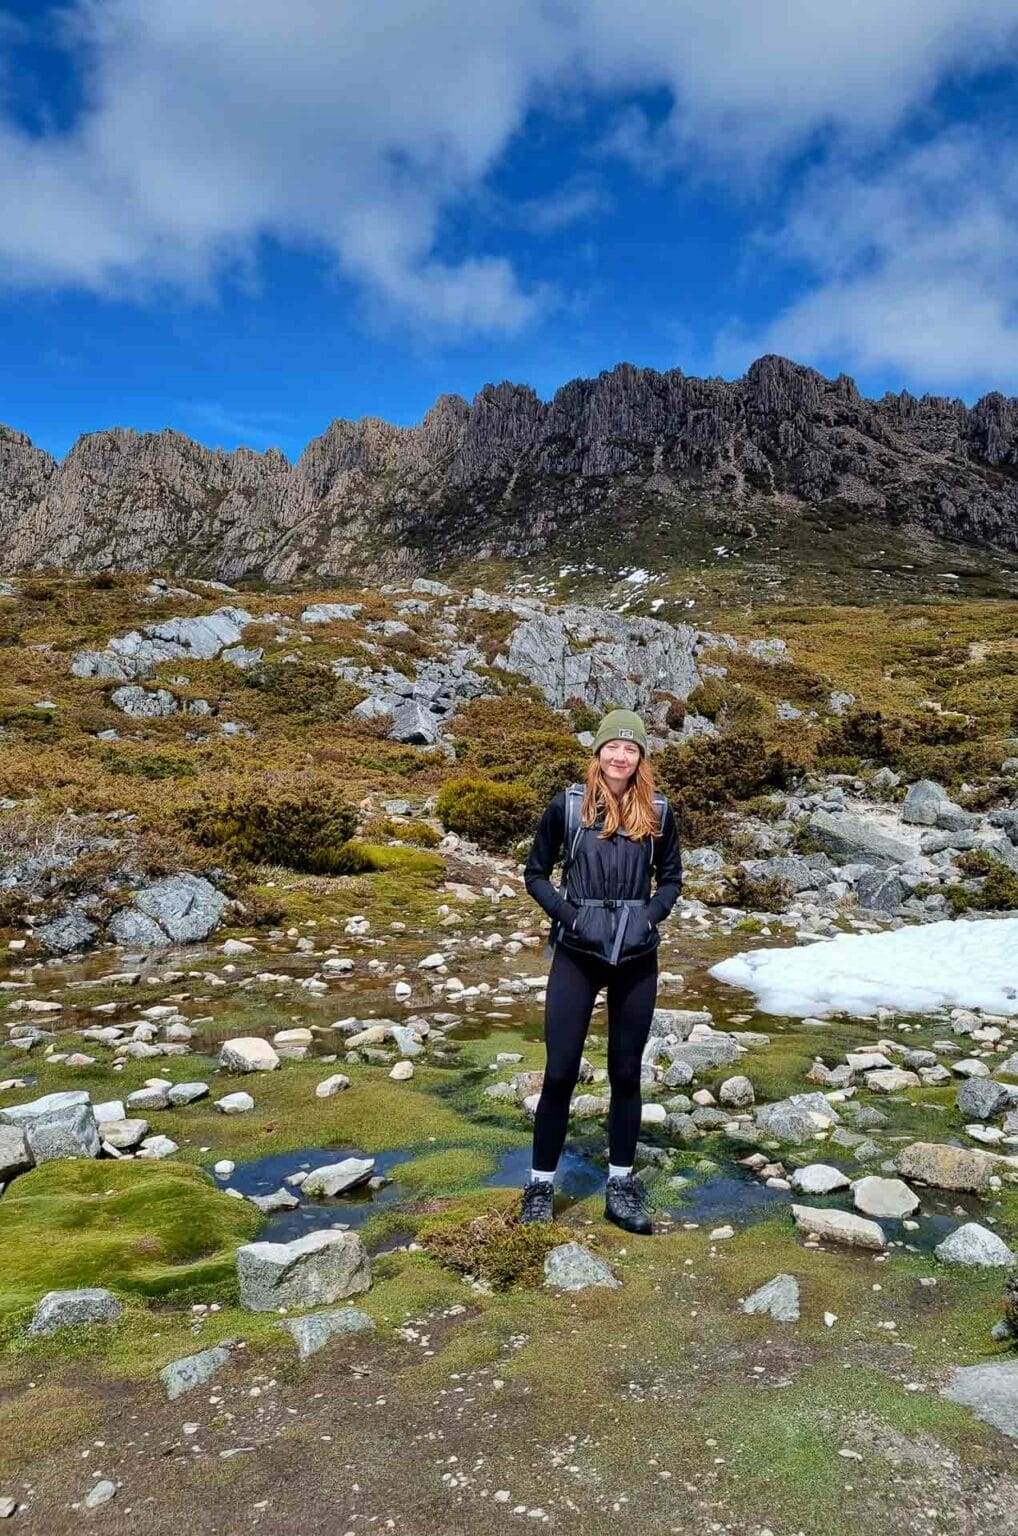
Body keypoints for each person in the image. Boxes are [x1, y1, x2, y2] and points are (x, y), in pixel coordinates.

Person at [520, 708, 683, 1235]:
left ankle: (620, 1183)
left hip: (636, 958)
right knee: (562, 1071)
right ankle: (541, 1186)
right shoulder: (567, 807)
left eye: (630, 749)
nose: (620, 756)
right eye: (612, 747)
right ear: (598, 754)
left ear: (640, 758)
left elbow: (672, 879)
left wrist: (647, 919)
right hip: (577, 953)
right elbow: (536, 873)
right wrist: (571, 916)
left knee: (626, 1072)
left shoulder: (659, 811)